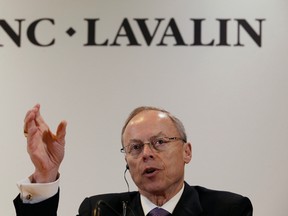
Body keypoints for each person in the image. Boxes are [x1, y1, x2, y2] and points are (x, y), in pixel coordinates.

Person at [14, 104, 253, 216]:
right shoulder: (100, 211)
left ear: (186, 151)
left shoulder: (228, 210)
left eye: (160, 142)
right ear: (127, 160)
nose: (147, 153)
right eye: (135, 147)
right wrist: (45, 173)